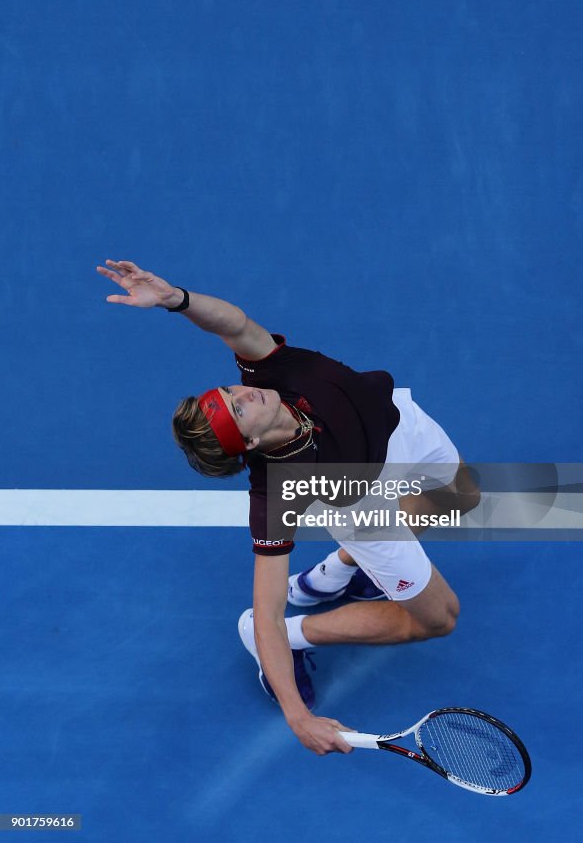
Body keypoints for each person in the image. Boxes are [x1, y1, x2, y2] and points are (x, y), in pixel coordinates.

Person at [96, 259, 481, 756]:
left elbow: (232, 324)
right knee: (438, 619)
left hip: (401, 425)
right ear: (252, 440)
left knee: (462, 495)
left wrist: (175, 299)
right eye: (239, 407)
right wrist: (298, 717)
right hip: (361, 506)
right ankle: (304, 634)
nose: (243, 390)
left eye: (229, 391)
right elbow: (267, 608)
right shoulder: (277, 492)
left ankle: (337, 570)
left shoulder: (275, 371)